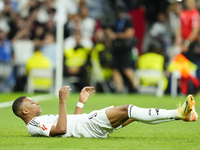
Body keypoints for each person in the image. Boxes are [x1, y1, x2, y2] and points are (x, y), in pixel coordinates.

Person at [12, 86, 198, 138]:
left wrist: (80, 103)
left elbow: (69, 124)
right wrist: (62, 102)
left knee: (132, 114)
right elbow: (61, 130)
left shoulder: (40, 120)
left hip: (85, 122)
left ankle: (182, 116)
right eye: (31, 102)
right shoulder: (34, 124)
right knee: (127, 108)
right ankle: (179, 112)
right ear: (25, 111)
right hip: (89, 126)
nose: (36, 102)